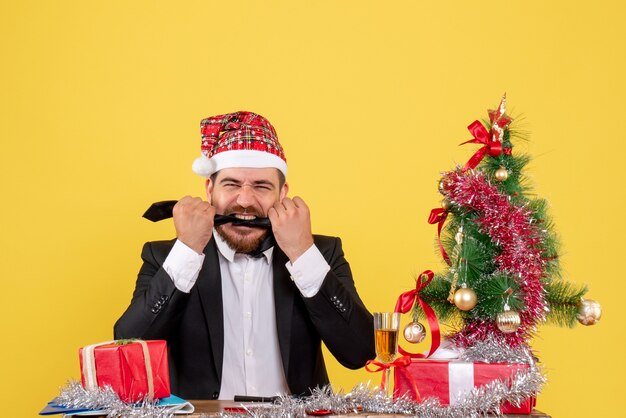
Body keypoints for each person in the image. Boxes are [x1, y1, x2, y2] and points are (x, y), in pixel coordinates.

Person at [114, 111, 375, 400]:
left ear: (282, 194)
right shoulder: (165, 256)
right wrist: (187, 251)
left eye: (262, 186)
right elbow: (127, 350)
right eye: (232, 184)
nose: (245, 201)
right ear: (209, 189)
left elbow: (360, 352)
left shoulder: (321, 252)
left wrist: (302, 253)